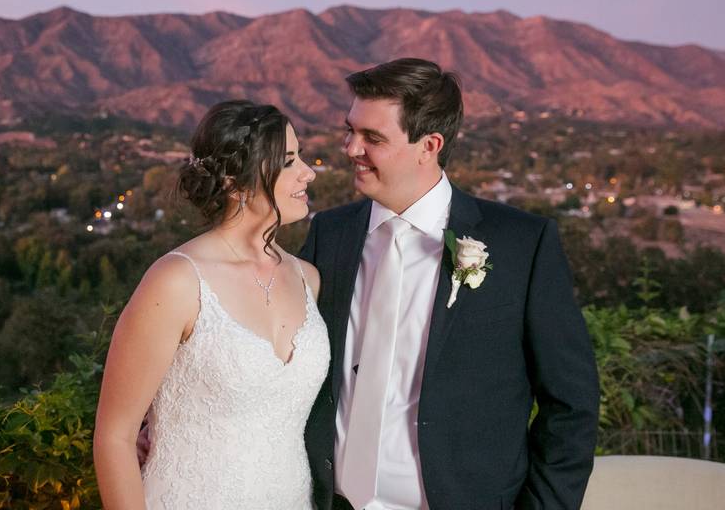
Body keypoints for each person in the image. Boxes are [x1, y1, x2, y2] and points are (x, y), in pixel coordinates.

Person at [300, 58, 600, 510]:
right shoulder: (330, 234)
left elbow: (571, 405)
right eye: (350, 130)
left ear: (430, 145)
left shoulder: (522, 244)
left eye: (372, 138)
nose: (350, 148)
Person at [94, 100, 328, 509]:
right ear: (236, 183)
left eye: (301, 157)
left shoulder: (308, 279)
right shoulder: (177, 281)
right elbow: (114, 437)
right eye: (288, 161)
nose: (308, 172)